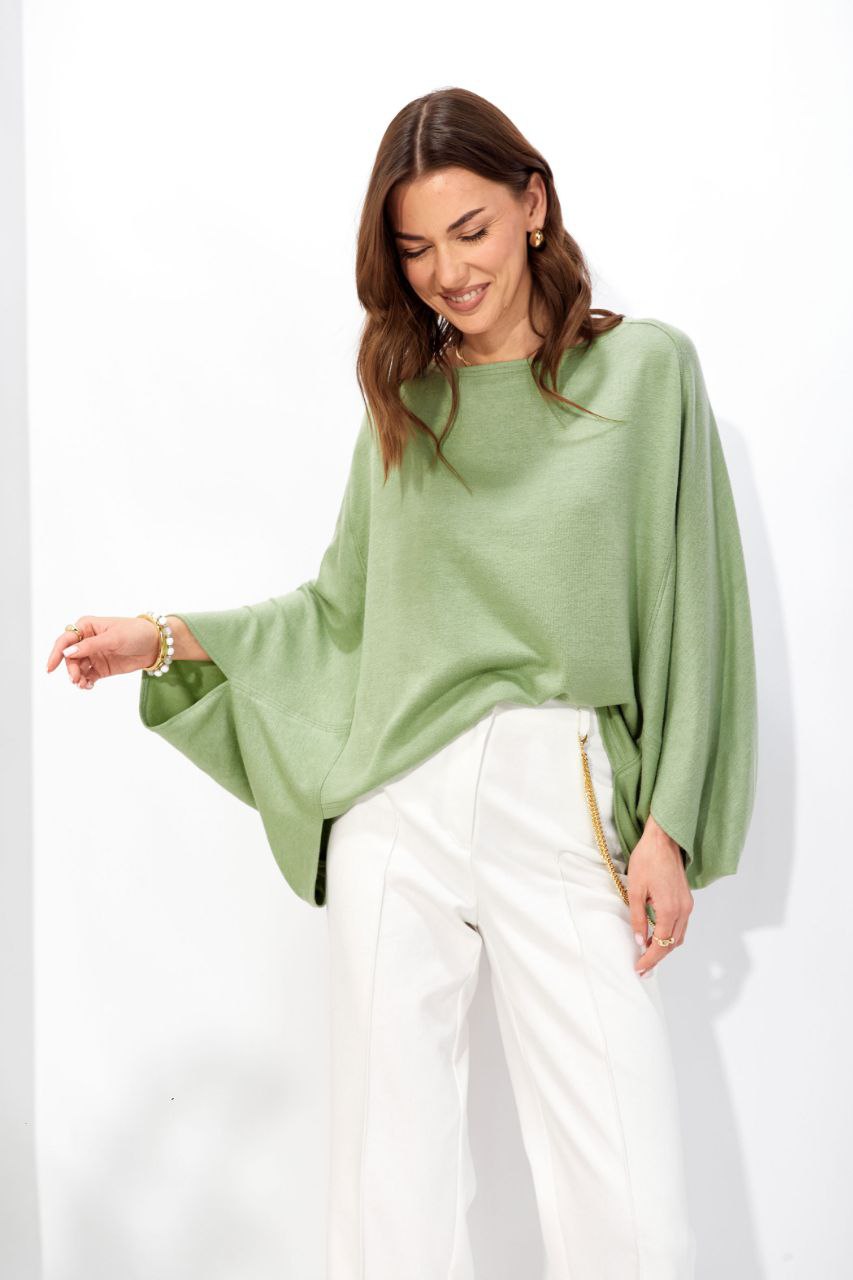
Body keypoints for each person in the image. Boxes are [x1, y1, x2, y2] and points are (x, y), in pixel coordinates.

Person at [46, 87, 757, 1279]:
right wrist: (163, 637)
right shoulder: (409, 404)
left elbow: (695, 606)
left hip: (559, 795)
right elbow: (340, 613)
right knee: (388, 1193)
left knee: (631, 1208)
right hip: (398, 804)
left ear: (533, 205)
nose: (447, 272)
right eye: (417, 248)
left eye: (470, 230)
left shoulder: (646, 373)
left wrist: (669, 821)